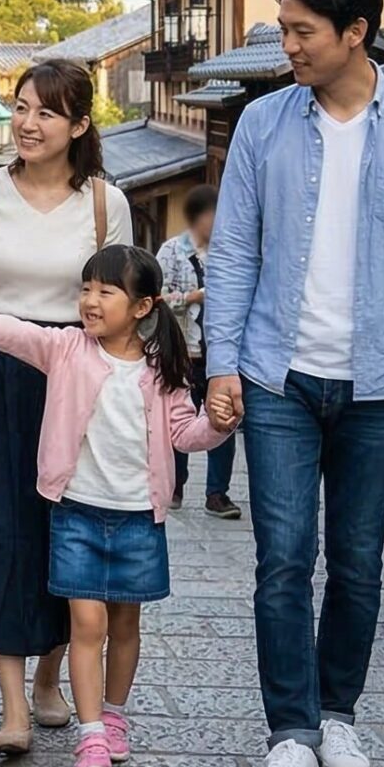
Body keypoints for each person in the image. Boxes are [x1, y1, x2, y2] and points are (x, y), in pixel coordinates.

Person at [201, 0, 384, 767]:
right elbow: (235, 251)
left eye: (300, 30)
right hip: (279, 371)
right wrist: (222, 364)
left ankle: (338, 709)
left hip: (383, 378)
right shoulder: (262, 125)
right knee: (283, 557)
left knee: (357, 559)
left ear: (356, 33)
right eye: (283, 28)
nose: (286, 44)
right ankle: (290, 733)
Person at [0, 245, 236, 767]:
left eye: (104, 292)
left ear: (142, 306)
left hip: (140, 520)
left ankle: (114, 715)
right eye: (85, 289)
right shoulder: (67, 348)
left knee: (126, 625)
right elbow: (17, 334)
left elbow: (186, 434)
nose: (89, 301)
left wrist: (220, 425)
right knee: (86, 623)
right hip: (77, 515)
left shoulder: (164, 372)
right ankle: (90, 734)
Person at [0, 59, 133, 754]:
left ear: (79, 124)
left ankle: (51, 677)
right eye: (19, 108)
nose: (26, 123)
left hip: (73, 374)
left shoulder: (106, 203)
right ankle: (13, 704)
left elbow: (119, 308)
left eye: (46, 112)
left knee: (64, 533)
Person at [158, 184, 239, 519]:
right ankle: (175, 484)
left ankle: (217, 493)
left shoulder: (231, 252)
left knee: (224, 417)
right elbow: (156, 299)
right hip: (184, 348)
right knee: (178, 416)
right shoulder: (172, 251)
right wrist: (194, 297)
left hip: (221, 353)